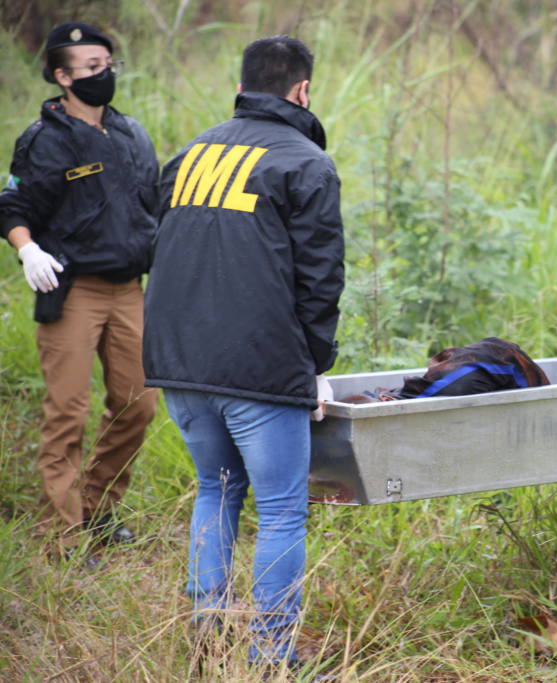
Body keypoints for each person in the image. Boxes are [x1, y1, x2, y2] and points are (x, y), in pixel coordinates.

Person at [142, 36, 345, 666]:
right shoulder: (305, 161)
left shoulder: (192, 153)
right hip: (258, 368)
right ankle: (270, 656)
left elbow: (162, 245)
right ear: (302, 90)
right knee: (282, 510)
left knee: (216, 489)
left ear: (245, 84)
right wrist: (311, 366)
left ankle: (207, 636)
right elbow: (320, 276)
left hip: (180, 362)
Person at [0, 22, 159, 558]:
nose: (102, 74)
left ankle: (95, 507)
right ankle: (58, 535)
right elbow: (13, 206)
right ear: (62, 76)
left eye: (106, 64)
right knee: (67, 410)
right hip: (73, 290)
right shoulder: (44, 140)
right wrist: (27, 250)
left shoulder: (132, 133)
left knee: (138, 404)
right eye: (90, 68)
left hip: (130, 290)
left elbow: (151, 207)